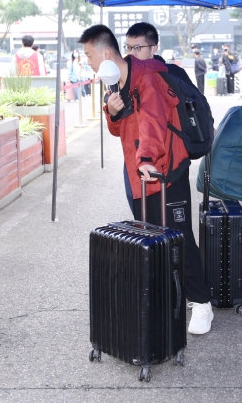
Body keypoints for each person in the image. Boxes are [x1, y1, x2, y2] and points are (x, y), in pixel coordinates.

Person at [80, 24, 213, 335]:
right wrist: (112, 112)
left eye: (89, 55)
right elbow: (120, 130)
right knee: (152, 236)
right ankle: (169, 295)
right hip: (139, 175)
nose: (88, 62)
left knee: (179, 236)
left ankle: (201, 302)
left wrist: (147, 160)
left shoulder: (149, 77)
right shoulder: (116, 83)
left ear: (106, 53)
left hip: (165, 171)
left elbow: (153, 123)